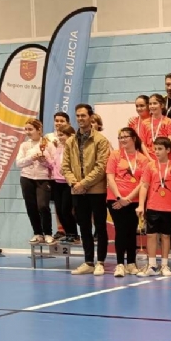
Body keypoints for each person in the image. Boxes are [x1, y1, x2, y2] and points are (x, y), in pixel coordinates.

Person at [61, 104, 111, 276]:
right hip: (77, 190)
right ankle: (88, 261)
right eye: (78, 116)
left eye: (83, 115)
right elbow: (65, 166)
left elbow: (101, 167)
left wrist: (84, 183)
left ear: (91, 117)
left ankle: (100, 262)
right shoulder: (70, 141)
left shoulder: (101, 141)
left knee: (100, 226)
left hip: (96, 191)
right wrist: (74, 183)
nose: (80, 119)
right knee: (84, 227)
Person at [136, 138, 171, 277]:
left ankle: (164, 265)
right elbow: (144, 186)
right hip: (152, 206)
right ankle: (151, 265)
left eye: (160, 149)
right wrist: (141, 205)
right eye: (155, 149)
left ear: (168, 150)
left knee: (165, 236)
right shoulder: (150, 166)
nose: (156, 152)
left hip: (169, 208)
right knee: (151, 235)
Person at [107, 127, 151, 277]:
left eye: (126, 136)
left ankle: (131, 263)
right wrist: (120, 197)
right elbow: (110, 177)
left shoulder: (143, 159)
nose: (123, 139)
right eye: (120, 137)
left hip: (134, 200)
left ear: (134, 138)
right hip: (115, 199)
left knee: (132, 231)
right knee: (120, 230)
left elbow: (143, 182)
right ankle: (120, 264)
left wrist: (129, 199)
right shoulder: (115, 155)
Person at [16, 119, 56, 244]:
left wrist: (43, 160)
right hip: (26, 178)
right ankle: (37, 233)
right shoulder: (24, 145)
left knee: (43, 206)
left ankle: (48, 233)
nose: (27, 132)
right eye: (26, 129)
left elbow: (54, 164)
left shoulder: (48, 144)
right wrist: (31, 158)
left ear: (39, 130)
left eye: (30, 129)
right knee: (31, 207)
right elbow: (19, 163)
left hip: (43, 179)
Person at [50, 123, 79, 243]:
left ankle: (74, 234)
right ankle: (68, 233)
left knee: (66, 209)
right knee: (59, 210)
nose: (60, 137)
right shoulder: (58, 148)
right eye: (58, 135)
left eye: (62, 135)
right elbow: (54, 164)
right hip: (57, 182)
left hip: (68, 182)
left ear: (70, 135)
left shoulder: (74, 148)